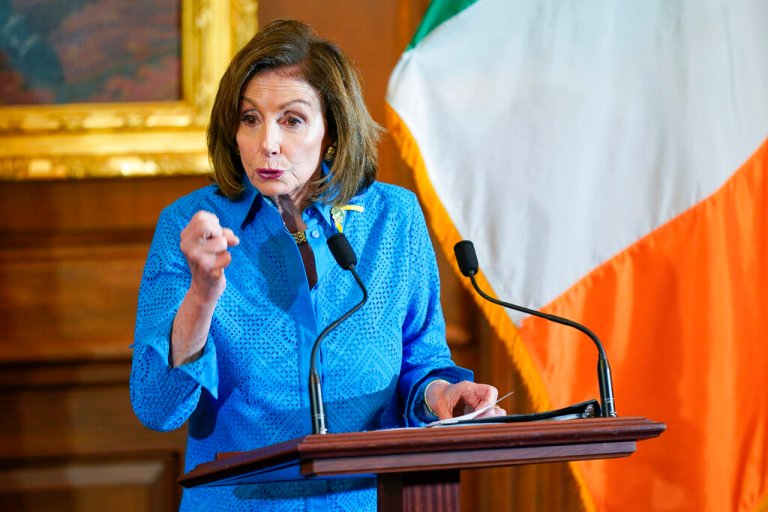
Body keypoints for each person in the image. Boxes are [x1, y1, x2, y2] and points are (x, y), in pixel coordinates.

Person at [130, 18, 505, 511]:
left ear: (331, 130)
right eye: (250, 118)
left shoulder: (393, 220)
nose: (268, 142)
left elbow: (420, 359)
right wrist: (201, 297)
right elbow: (156, 406)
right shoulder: (190, 225)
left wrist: (442, 394)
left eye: (291, 120)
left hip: (370, 501)